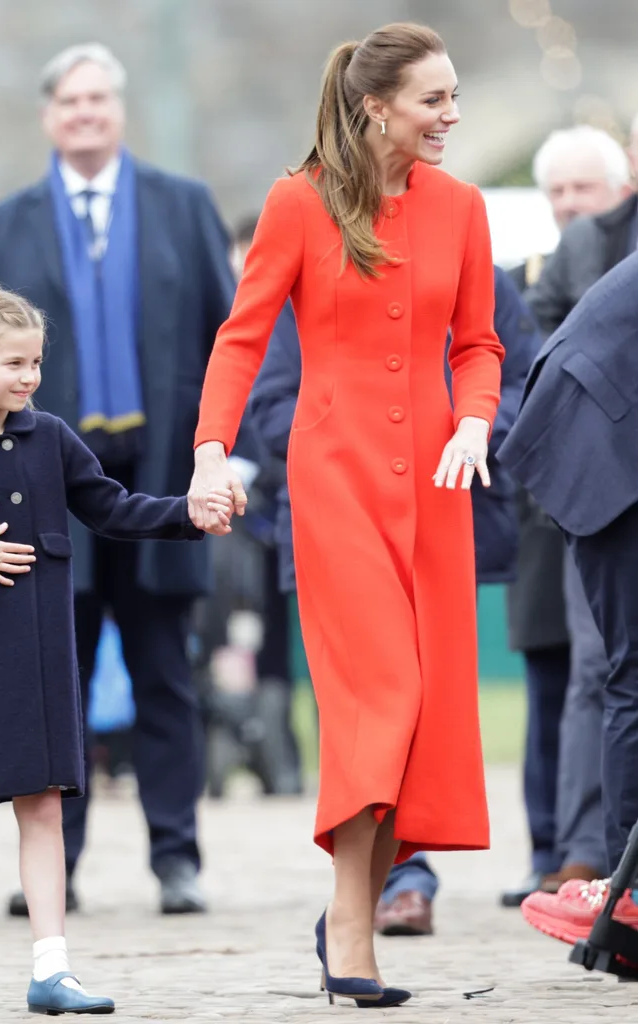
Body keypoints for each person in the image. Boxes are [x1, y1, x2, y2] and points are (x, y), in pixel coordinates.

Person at [188, 23, 504, 1006]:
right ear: (375, 106)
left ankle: (348, 919)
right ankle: (351, 926)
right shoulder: (297, 201)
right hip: (334, 482)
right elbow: (240, 340)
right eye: (432, 100)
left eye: (452, 97)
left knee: (418, 714)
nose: (450, 116)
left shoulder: (461, 206)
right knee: (380, 696)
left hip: (436, 487)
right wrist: (209, 449)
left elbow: (478, 342)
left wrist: (475, 422)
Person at [0, 286, 232, 1014]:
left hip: (39, 659)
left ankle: (52, 967)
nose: (29, 377)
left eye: (35, 362)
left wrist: (187, 512)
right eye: (14, 363)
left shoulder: (52, 436)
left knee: (43, 805)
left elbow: (111, 506)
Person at [0, 42, 236, 917]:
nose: (85, 113)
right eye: (70, 102)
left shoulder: (182, 205)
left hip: (161, 481)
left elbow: (226, 340)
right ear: (50, 115)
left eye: (99, 100)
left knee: (166, 672)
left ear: (118, 111)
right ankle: (59, 868)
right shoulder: (6, 224)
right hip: (49, 485)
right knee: (56, 681)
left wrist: (223, 458)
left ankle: (178, 860)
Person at [249, 262, 538, 938]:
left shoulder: (474, 266)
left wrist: (466, 431)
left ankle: (403, 870)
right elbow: (271, 402)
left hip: (443, 507)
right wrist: (355, 446)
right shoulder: (312, 274)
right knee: (362, 700)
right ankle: (385, 884)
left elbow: (516, 376)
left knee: (427, 697)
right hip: (339, 515)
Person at [501, 123, 636, 907]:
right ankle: (626, 895)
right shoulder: (587, 248)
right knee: (629, 674)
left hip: (610, 442)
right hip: (595, 457)